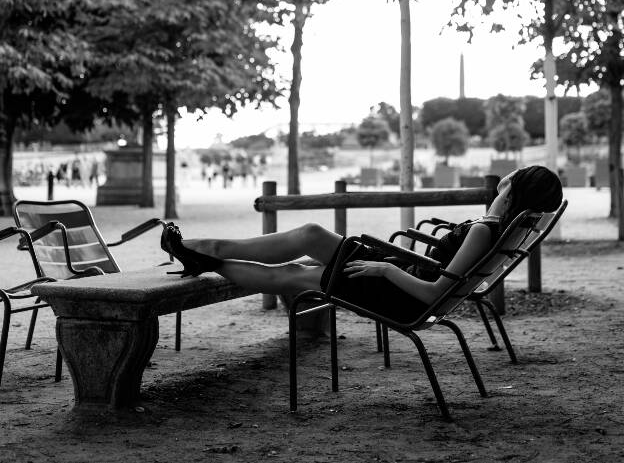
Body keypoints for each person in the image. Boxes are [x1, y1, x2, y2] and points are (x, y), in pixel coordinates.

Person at [160, 165, 563, 325]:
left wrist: (385, 268)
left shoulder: (484, 230)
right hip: (401, 278)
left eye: (511, 177)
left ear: (512, 189)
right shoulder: (496, 228)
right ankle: (205, 252)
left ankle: (204, 251)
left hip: (401, 292)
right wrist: (390, 265)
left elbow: (436, 291)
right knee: (309, 244)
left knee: (298, 270)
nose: (504, 177)